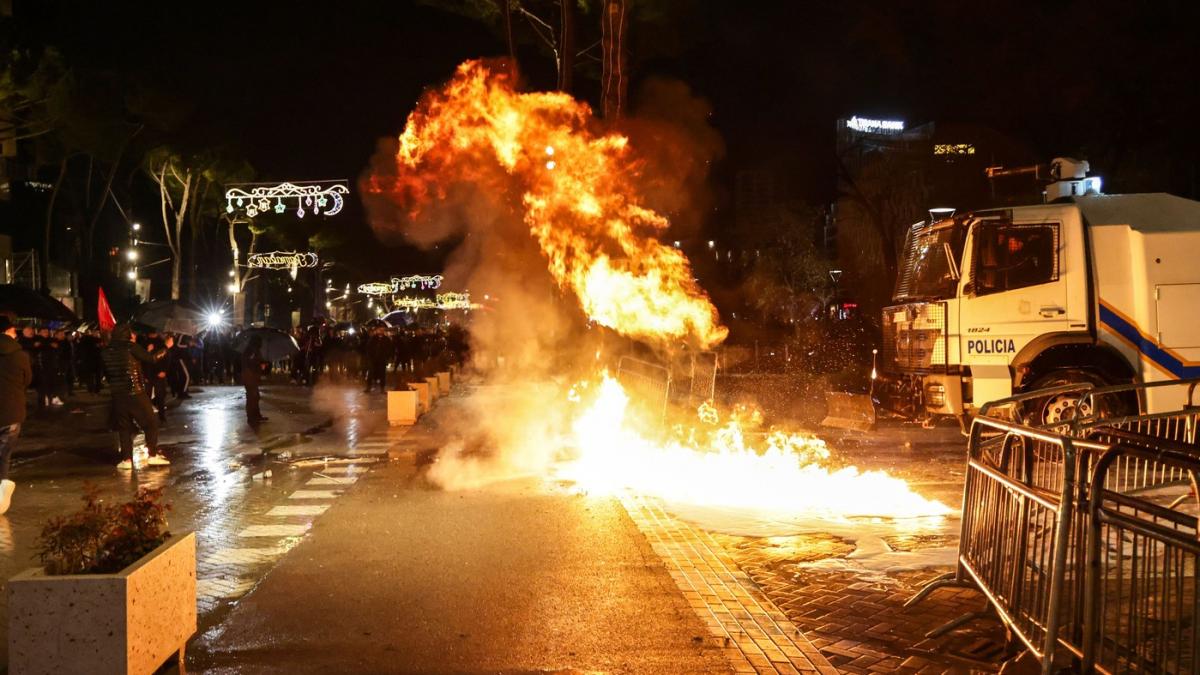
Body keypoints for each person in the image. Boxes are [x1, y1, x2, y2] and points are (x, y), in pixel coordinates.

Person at [102, 324, 172, 469]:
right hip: (135, 392)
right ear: (127, 334)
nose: (134, 336)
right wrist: (166, 347)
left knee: (124, 426)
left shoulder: (106, 350)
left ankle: (127, 460)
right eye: (131, 333)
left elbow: (107, 374)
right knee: (151, 423)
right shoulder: (130, 347)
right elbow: (152, 359)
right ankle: (152, 455)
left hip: (117, 394)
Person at [0, 316, 33, 513]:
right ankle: (2, 487)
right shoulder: (20, 355)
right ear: (8, 330)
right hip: (12, 412)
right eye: (14, 330)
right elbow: (27, 379)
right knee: (4, 455)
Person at [242, 335, 267, 425]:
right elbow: (251, 362)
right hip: (250, 376)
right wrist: (259, 364)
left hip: (252, 376)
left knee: (255, 396)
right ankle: (252, 417)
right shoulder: (251, 350)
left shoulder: (254, 350)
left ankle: (256, 415)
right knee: (252, 397)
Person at [364, 327, 392, 393]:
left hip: (382, 360)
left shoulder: (387, 339)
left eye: (382, 330)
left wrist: (387, 357)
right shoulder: (373, 339)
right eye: (379, 330)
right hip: (373, 359)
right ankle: (368, 387)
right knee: (371, 373)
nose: (381, 331)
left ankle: (382, 388)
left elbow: (389, 349)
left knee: (382, 374)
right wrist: (370, 357)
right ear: (377, 331)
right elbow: (368, 348)